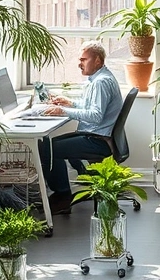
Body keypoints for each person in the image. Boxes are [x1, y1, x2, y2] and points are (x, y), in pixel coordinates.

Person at [39, 41, 123, 215]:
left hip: (98, 141)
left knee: (49, 148)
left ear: (98, 61)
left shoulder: (101, 83)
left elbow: (95, 115)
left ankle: (62, 197)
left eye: (84, 60)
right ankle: (75, 181)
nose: (79, 64)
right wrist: (70, 103)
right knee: (47, 143)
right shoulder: (98, 79)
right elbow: (89, 106)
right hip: (96, 135)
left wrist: (64, 111)